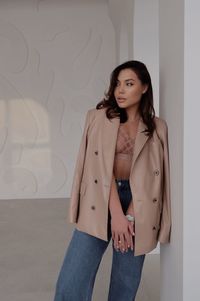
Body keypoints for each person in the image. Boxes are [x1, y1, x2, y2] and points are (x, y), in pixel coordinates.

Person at [53, 60, 171, 301]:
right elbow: (96, 170)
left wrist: (130, 215)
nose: (120, 90)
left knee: (125, 282)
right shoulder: (98, 118)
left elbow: (155, 177)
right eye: (118, 84)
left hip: (138, 206)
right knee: (73, 278)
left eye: (129, 84)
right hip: (101, 197)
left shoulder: (157, 128)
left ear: (145, 88)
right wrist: (117, 215)